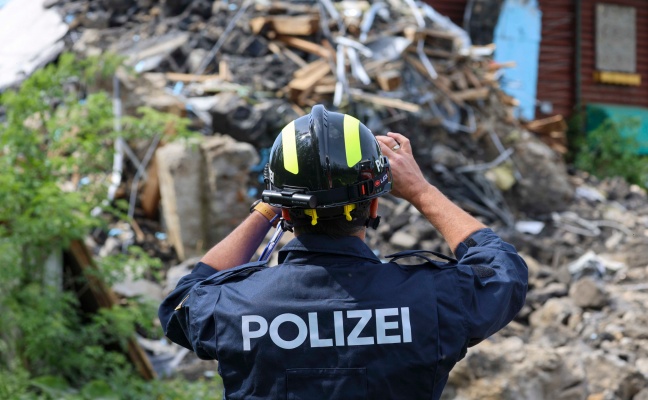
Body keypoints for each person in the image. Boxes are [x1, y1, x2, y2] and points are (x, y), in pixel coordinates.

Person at [158, 104, 528, 399]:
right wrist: (420, 190)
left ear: (285, 212)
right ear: (374, 208)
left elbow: (181, 302)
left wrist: (269, 205)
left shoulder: (234, 306)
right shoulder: (430, 299)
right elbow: (502, 272)